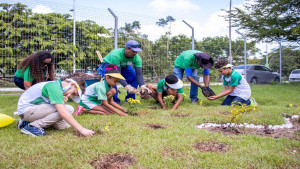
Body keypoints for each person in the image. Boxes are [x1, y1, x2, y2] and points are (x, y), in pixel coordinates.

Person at [16, 77, 95, 137]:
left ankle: (26, 122)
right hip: (27, 111)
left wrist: (61, 102)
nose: (70, 96)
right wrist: (82, 130)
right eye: (74, 93)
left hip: (30, 110)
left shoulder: (56, 86)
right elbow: (62, 112)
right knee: (69, 109)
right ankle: (33, 126)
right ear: (72, 85)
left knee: (64, 126)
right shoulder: (54, 87)